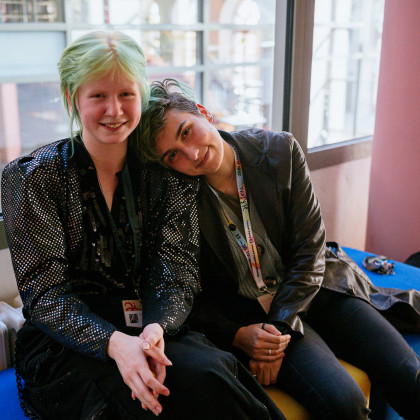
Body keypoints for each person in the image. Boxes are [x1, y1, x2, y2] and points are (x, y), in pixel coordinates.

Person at [1, 34, 286, 420]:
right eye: (98, 96)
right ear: (72, 98)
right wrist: (115, 343)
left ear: (141, 96)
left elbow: (177, 273)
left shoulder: (165, 172)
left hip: (150, 322)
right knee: (132, 404)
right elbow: (46, 296)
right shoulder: (34, 176)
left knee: (211, 379)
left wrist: (155, 330)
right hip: (69, 341)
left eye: (126, 94)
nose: (114, 110)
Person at [137, 79, 420, 420]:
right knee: (344, 403)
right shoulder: (178, 198)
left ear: (203, 112)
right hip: (251, 315)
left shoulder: (279, 150)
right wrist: (237, 335)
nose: (192, 154)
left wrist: (281, 326)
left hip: (314, 289)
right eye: (173, 155)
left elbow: (309, 249)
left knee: (408, 373)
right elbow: (186, 291)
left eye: (186, 132)